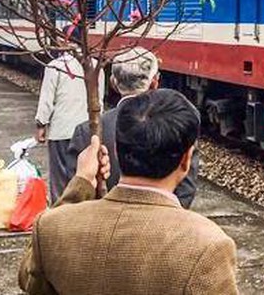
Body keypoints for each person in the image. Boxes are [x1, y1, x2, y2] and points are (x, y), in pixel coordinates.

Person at [18, 89, 238, 295]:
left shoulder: (51, 228)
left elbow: (29, 281)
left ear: (115, 148)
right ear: (186, 160)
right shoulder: (207, 246)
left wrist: (82, 182)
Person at [67, 47, 199, 208]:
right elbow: (186, 191)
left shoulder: (85, 132)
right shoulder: (179, 126)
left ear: (113, 82)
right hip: (162, 226)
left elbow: (74, 191)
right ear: (154, 82)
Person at [35, 51, 104, 204]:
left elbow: (47, 99)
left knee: (60, 181)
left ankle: (59, 214)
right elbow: (99, 101)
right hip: (87, 132)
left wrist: (41, 124)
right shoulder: (96, 67)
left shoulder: (56, 66)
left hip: (62, 131)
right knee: (84, 178)